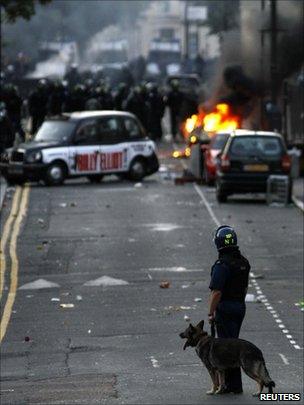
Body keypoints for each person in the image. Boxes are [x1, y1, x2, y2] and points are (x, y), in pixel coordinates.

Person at [208, 225, 250, 394]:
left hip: (225, 308)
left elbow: (216, 292)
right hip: (240, 306)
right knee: (233, 343)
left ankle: (231, 385)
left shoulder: (221, 265)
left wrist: (211, 312)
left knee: (226, 347)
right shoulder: (243, 262)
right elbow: (245, 287)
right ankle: (233, 384)